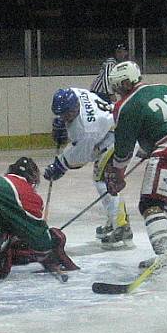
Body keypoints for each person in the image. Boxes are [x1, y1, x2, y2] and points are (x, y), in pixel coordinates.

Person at [103, 61, 167, 267]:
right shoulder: (164, 87)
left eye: (117, 86)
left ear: (124, 84)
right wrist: (150, 145)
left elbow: (124, 148)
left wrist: (118, 174)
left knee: (150, 203)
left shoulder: (125, 105)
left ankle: (166, 255)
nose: (116, 91)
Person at [43, 88, 133, 249]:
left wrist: (59, 166)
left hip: (115, 138)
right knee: (102, 180)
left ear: (75, 107)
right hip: (111, 129)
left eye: (67, 114)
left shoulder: (87, 129)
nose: (64, 117)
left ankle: (122, 227)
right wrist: (64, 125)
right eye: (61, 114)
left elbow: (80, 158)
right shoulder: (73, 93)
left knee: (105, 182)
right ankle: (115, 221)